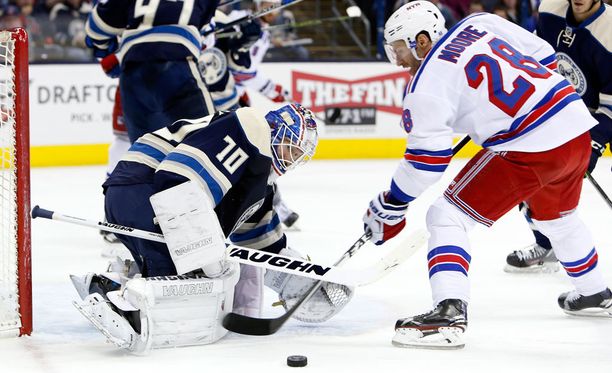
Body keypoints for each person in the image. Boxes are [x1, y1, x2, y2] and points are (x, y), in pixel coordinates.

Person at [363, 1, 612, 350]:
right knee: (558, 218)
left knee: (447, 215)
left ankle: (448, 314)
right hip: (575, 126)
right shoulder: (480, 22)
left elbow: (426, 163)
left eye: (400, 49)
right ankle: (595, 292)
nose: (399, 60)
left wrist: (391, 204)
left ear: (422, 40)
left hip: (531, 145)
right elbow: (544, 56)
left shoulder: (424, 86)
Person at [71, 104, 352, 354]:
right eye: (291, 145)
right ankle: (119, 306)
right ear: (276, 130)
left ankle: (108, 287)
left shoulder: (259, 177)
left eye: (298, 153)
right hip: (144, 192)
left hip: (140, 196)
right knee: (186, 288)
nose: (293, 157)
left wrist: (302, 275)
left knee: (186, 278)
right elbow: (177, 177)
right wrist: (203, 247)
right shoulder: (252, 127)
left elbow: (261, 243)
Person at [505, 0, 611, 272]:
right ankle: (545, 244)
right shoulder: (551, 9)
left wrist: (594, 144)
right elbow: (535, 61)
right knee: (531, 173)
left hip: (601, 112)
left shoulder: (610, 31)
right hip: (564, 110)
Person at [84, 0, 217, 143]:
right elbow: (205, 35)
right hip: (177, 66)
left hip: (133, 72)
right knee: (208, 140)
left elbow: (96, 29)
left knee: (145, 153)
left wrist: (107, 48)